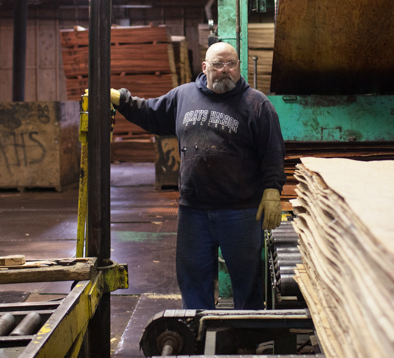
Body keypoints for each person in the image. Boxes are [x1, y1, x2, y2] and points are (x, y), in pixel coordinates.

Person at [110, 42, 285, 310]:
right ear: (205, 67)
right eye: (218, 64)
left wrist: (272, 192)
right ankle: (197, 326)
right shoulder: (183, 96)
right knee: (192, 278)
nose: (225, 70)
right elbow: (150, 113)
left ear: (238, 67)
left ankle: (248, 330)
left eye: (231, 64)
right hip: (194, 212)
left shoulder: (256, 103)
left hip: (240, 212)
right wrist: (120, 99)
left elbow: (273, 151)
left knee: (247, 281)